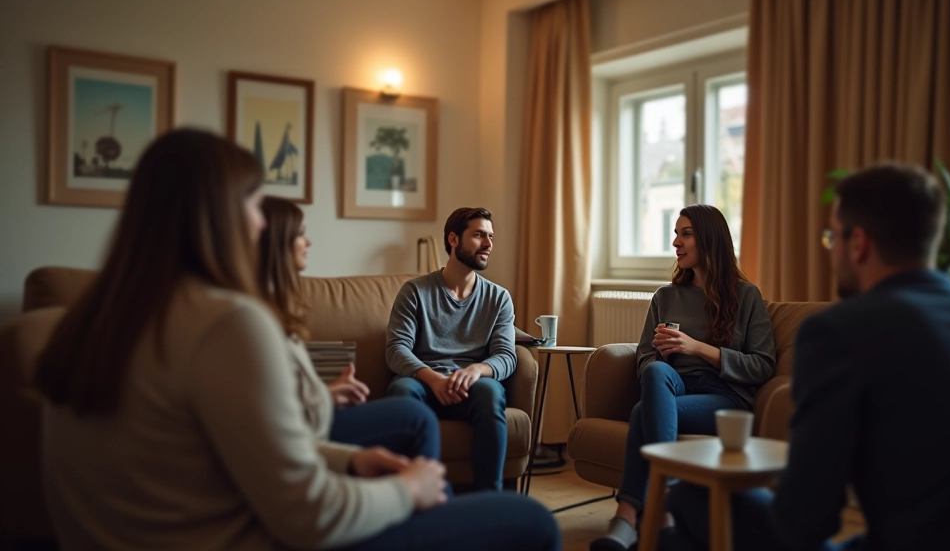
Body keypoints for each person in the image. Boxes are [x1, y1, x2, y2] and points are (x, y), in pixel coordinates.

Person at [33, 130, 561, 551]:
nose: (266, 225)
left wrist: (349, 462)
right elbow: (310, 515)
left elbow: (220, 456)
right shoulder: (227, 323)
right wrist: (406, 490)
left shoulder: (93, 322)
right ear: (214, 216)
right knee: (531, 519)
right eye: (255, 205)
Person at [664, 163, 950, 551]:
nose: (831, 250)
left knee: (690, 497)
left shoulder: (841, 331)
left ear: (859, 243)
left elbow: (806, 520)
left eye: (830, 238)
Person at [591, 204, 777, 551]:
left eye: (685, 233)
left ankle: (630, 515)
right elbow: (644, 357)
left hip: (724, 397)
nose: (676, 241)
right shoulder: (666, 296)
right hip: (673, 386)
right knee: (658, 371)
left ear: (710, 240)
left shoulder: (747, 296)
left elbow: (762, 365)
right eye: (676, 233)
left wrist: (697, 348)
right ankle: (664, 511)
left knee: (638, 414)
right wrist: (661, 358)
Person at [257, 196, 442, 464]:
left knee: (416, 417)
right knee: (416, 416)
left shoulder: (280, 302)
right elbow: (271, 410)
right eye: (300, 235)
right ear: (277, 242)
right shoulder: (253, 315)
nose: (308, 242)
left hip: (312, 414)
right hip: (305, 425)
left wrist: (330, 393)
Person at [385, 207, 516, 492]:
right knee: (401, 392)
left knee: (492, 392)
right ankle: (414, 494)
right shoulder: (415, 291)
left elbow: (506, 356)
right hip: (423, 382)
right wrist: (434, 379)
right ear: (453, 239)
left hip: (469, 384)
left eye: (491, 237)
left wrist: (475, 370)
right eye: (479, 235)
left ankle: (489, 500)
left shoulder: (499, 298)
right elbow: (396, 349)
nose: (488, 244)